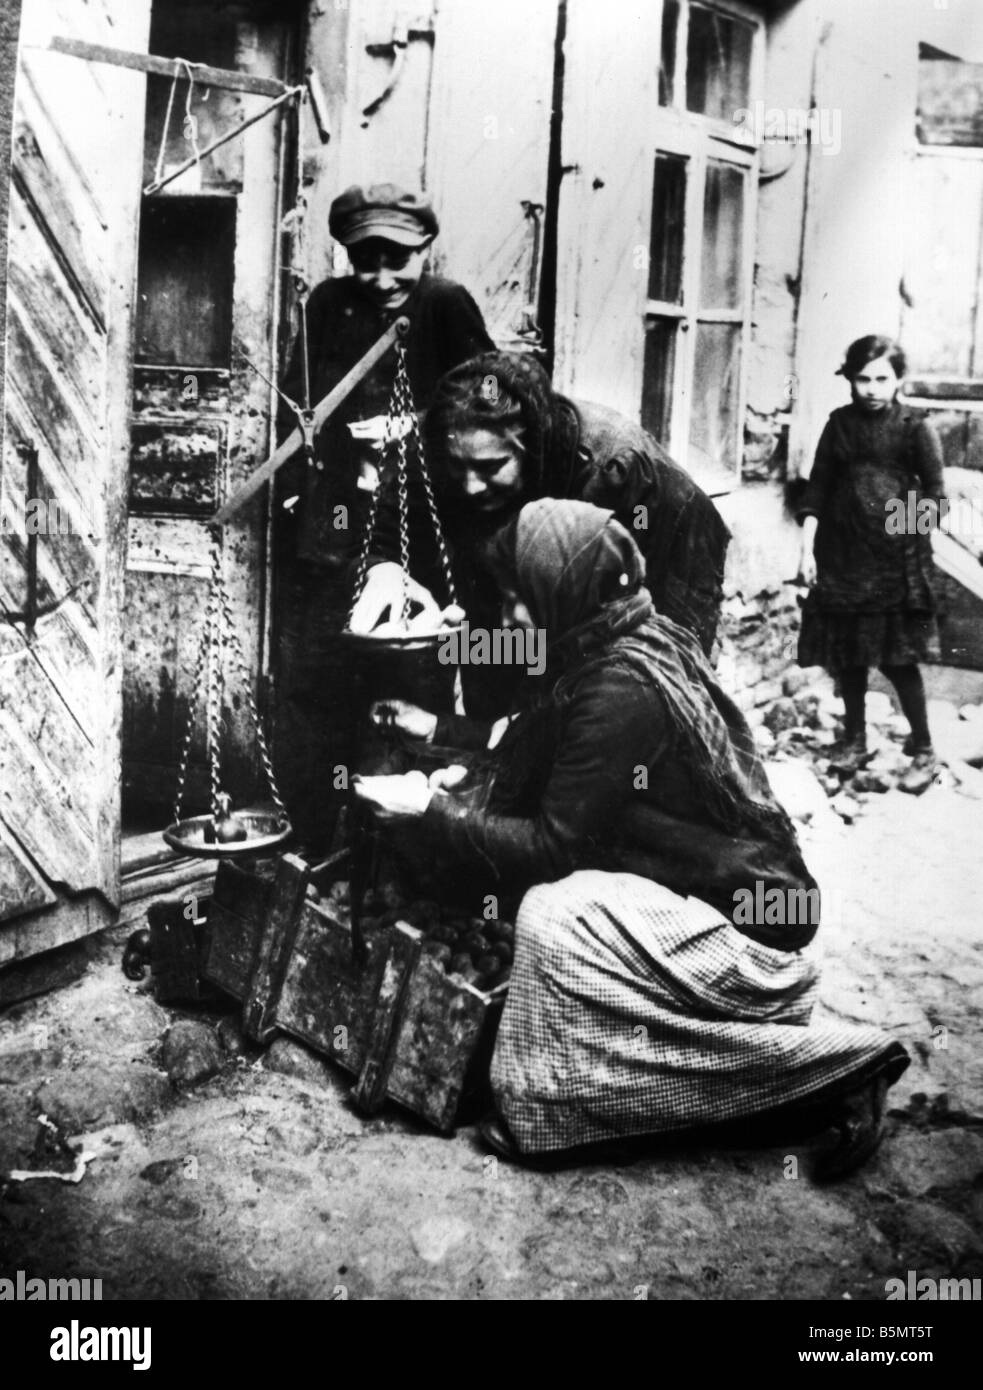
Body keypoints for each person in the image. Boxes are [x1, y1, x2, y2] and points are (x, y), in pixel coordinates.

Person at [354, 499, 909, 1178]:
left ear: (564, 591)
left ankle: (828, 1071)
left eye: (516, 599)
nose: (505, 618)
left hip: (741, 948)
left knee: (553, 916)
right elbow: (532, 744)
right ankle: (626, 1074)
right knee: (566, 920)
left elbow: (550, 845)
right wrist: (432, 728)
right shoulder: (615, 636)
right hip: (715, 907)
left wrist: (427, 808)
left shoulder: (619, 686)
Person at [273, 183, 494, 853]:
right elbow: (298, 405)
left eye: (397, 259)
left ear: (424, 248)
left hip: (427, 530)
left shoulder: (445, 306)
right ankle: (318, 836)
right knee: (323, 676)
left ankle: (415, 839)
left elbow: (491, 400)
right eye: (365, 259)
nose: (381, 277)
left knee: (420, 669)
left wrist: (421, 425)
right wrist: (297, 489)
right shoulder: (327, 305)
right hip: (339, 522)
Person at [348, 351, 730, 718]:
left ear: (532, 449)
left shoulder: (605, 478)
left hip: (674, 540)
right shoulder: (448, 440)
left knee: (642, 696)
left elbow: (601, 632)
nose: (471, 486)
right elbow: (391, 515)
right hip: (541, 606)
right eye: (457, 467)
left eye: (491, 467)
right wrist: (383, 566)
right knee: (495, 671)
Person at [797, 335, 945, 772]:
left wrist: (900, 537)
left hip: (893, 563)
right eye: (863, 379)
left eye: (882, 378)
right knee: (849, 655)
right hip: (842, 557)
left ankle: (923, 749)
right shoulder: (838, 424)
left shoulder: (915, 427)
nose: (872, 389)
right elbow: (817, 489)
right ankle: (855, 740)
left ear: (899, 379)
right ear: (850, 380)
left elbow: (935, 495)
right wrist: (806, 550)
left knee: (898, 659)